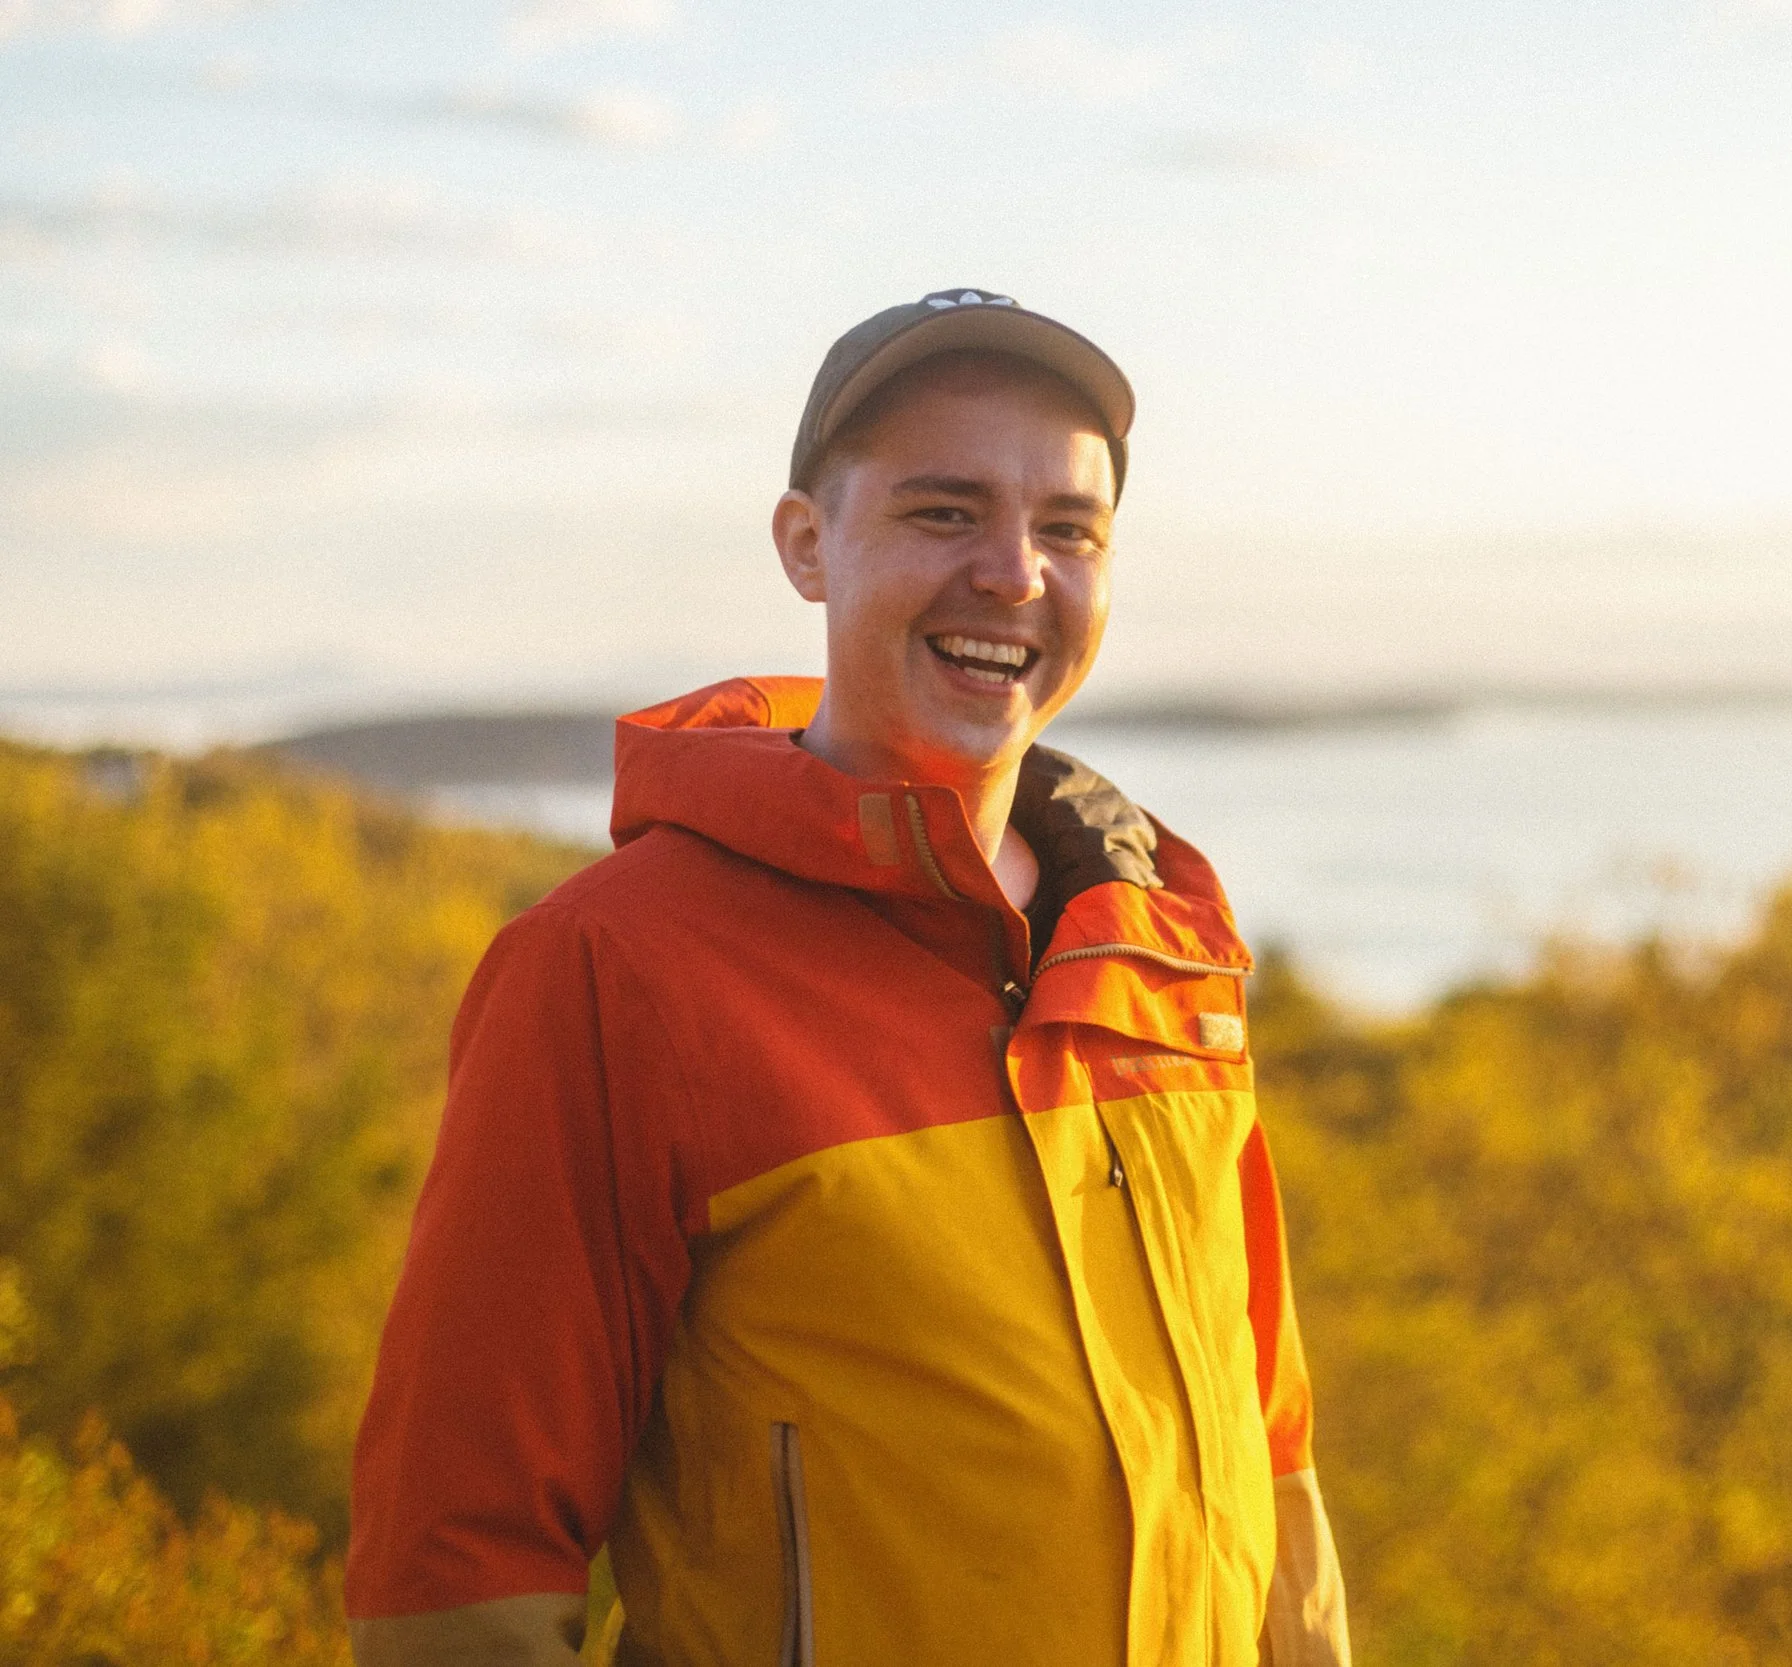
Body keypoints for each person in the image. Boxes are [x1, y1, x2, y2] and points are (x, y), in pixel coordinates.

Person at [344, 288, 1352, 1667]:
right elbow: (452, 1558)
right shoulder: (610, 968)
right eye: (945, 513)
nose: (1014, 571)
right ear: (807, 546)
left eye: (1069, 528)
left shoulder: (1165, 940)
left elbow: (1268, 1442)